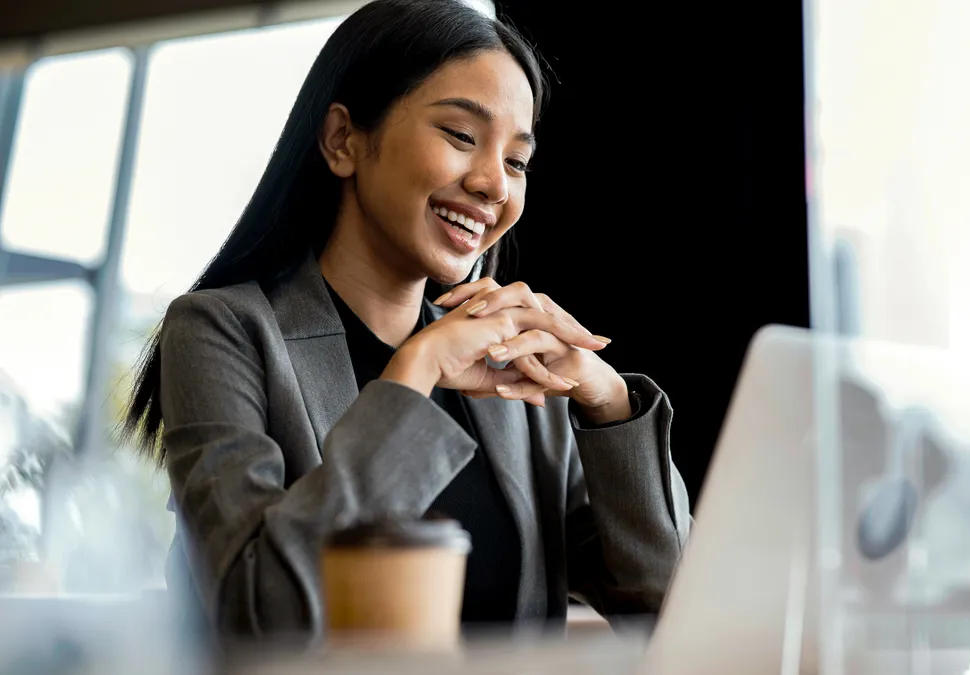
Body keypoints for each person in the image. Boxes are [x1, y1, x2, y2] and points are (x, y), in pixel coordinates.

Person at [122, 0, 690, 642]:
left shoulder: (513, 372)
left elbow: (672, 606)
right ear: (344, 140)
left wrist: (609, 402)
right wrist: (414, 372)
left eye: (516, 162)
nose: (493, 187)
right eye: (461, 136)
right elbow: (261, 615)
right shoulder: (221, 331)